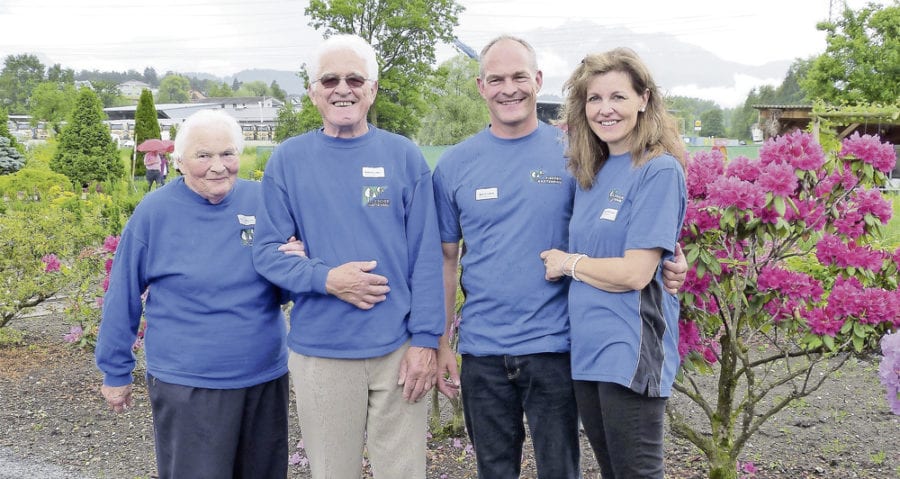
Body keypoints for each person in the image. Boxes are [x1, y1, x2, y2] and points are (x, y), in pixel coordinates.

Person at [432, 36, 687, 479]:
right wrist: (440, 343)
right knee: (494, 470)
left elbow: (632, 229)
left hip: (558, 348)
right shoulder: (458, 165)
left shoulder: (576, 157)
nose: (508, 88)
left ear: (538, 81)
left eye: (518, 77)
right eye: (496, 79)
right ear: (480, 86)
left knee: (564, 470)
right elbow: (445, 258)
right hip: (484, 350)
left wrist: (670, 259)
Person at [251, 34, 445, 479]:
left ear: (372, 88)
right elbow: (266, 253)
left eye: (355, 78)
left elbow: (426, 258)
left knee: (403, 472)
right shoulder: (288, 160)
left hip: (398, 351)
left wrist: (425, 341)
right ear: (313, 91)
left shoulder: (404, 156)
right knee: (332, 472)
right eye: (331, 79)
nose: (344, 88)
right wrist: (327, 278)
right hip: (322, 354)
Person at [95, 109, 304, 479]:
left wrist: (295, 265)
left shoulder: (264, 203)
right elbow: (123, 293)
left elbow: (284, 292)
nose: (218, 166)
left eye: (227, 154)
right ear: (178, 161)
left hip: (263, 378)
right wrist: (115, 370)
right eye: (203, 156)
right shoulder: (154, 213)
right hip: (188, 383)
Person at [540, 48, 688, 479]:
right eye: (594, 99)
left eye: (618, 97)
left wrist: (569, 263)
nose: (605, 109)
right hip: (588, 350)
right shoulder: (594, 172)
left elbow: (634, 273)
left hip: (631, 349)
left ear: (644, 99)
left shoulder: (658, 169)